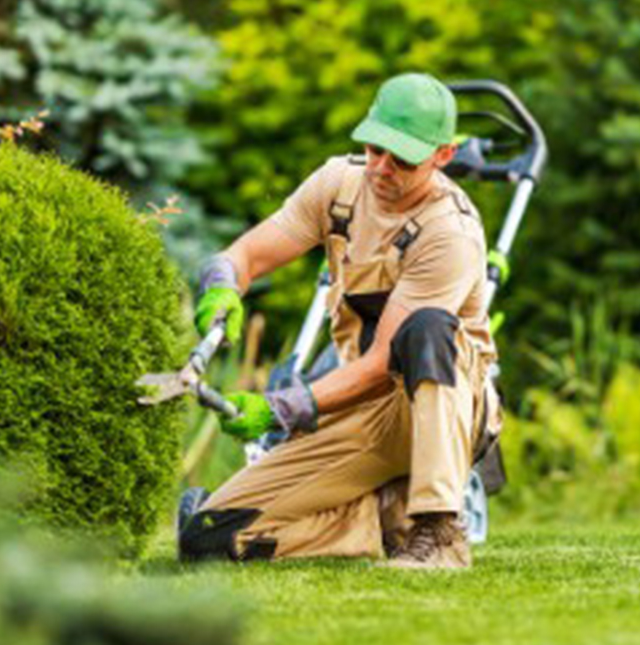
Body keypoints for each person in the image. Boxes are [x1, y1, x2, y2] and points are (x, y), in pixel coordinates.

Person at [179, 72, 500, 569]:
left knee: (428, 328)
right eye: (375, 149)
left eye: (403, 158)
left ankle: (439, 530)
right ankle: (380, 515)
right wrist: (222, 284)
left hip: (435, 408)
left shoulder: (449, 233)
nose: (382, 168)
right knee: (206, 538)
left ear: (443, 156)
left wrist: (278, 408)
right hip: (358, 411)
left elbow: (378, 365)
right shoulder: (338, 184)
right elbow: (247, 254)